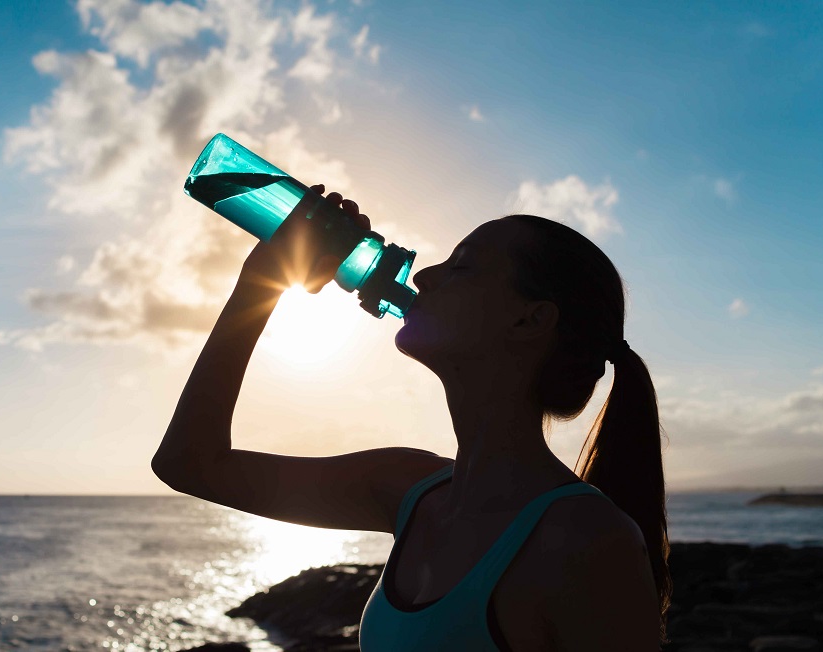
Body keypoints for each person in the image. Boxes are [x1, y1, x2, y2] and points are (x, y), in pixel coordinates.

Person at [152, 184, 671, 650]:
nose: (424, 273)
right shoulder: (407, 489)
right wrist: (263, 281)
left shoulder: (586, 540)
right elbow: (189, 463)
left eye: (462, 265)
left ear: (530, 318)